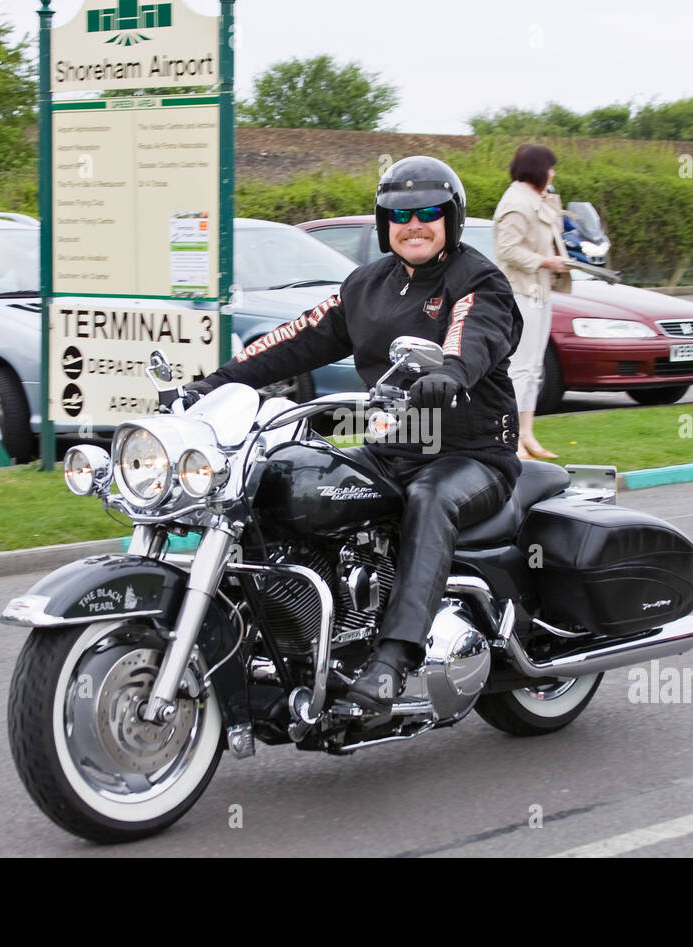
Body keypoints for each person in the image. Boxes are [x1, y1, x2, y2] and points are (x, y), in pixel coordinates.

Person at [183, 156, 523, 713]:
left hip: (470, 453)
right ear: (383, 220)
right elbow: (296, 340)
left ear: (452, 219)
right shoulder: (366, 285)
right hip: (391, 446)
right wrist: (213, 385)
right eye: (399, 214)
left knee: (430, 498)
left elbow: (474, 336)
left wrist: (449, 374)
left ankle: (393, 658)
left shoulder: (477, 279)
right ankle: (298, 639)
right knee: (284, 478)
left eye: (429, 213)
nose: (414, 225)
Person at [492, 143, 570, 460]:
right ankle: (510, 438)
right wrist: (544, 262)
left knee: (534, 368)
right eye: (549, 168)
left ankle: (528, 433)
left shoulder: (534, 199)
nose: (553, 174)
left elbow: (555, 230)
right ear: (538, 168)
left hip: (540, 292)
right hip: (520, 292)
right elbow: (507, 250)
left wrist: (549, 197)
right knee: (520, 368)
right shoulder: (515, 202)